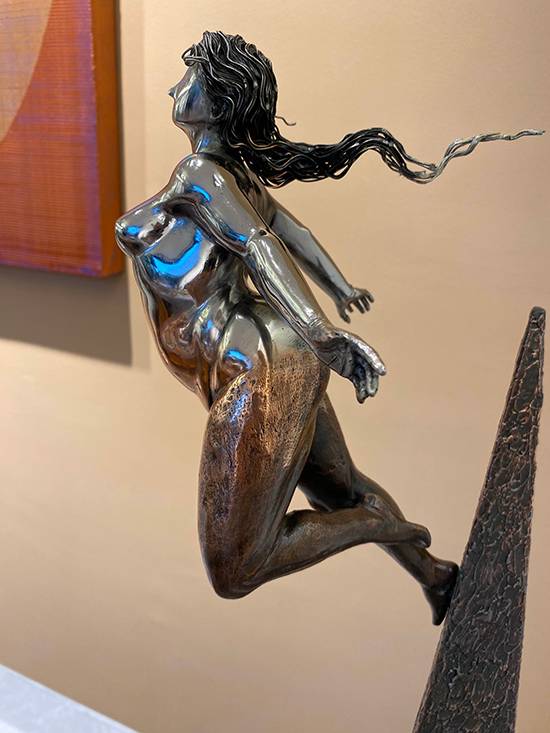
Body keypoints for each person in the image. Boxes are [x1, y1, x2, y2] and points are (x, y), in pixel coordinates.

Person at [116, 31, 538, 623]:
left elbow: (260, 244)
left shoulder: (200, 174)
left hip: (256, 363)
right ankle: (434, 576)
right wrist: (339, 289)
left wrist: (319, 329)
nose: (173, 88)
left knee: (235, 570)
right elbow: (295, 235)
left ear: (217, 99)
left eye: (189, 78)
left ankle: (372, 526)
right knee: (341, 488)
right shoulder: (236, 177)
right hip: (273, 355)